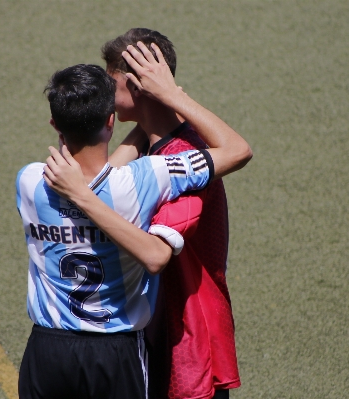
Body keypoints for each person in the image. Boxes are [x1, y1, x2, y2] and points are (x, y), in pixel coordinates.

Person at [16, 46, 252, 399]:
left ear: (55, 124)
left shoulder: (30, 181)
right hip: (115, 353)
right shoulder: (143, 181)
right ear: (110, 120)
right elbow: (237, 150)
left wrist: (143, 123)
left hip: (47, 351)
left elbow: (103, 170)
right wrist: (171, 98)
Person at [101, 28, 243, 399]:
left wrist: (166, 96)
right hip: (163, 325)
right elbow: (105, 185)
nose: (104, 94)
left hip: (188, 337)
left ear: (137, 86)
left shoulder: (184, 159)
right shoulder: (157, 145)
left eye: (110, 83)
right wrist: (147, 124)